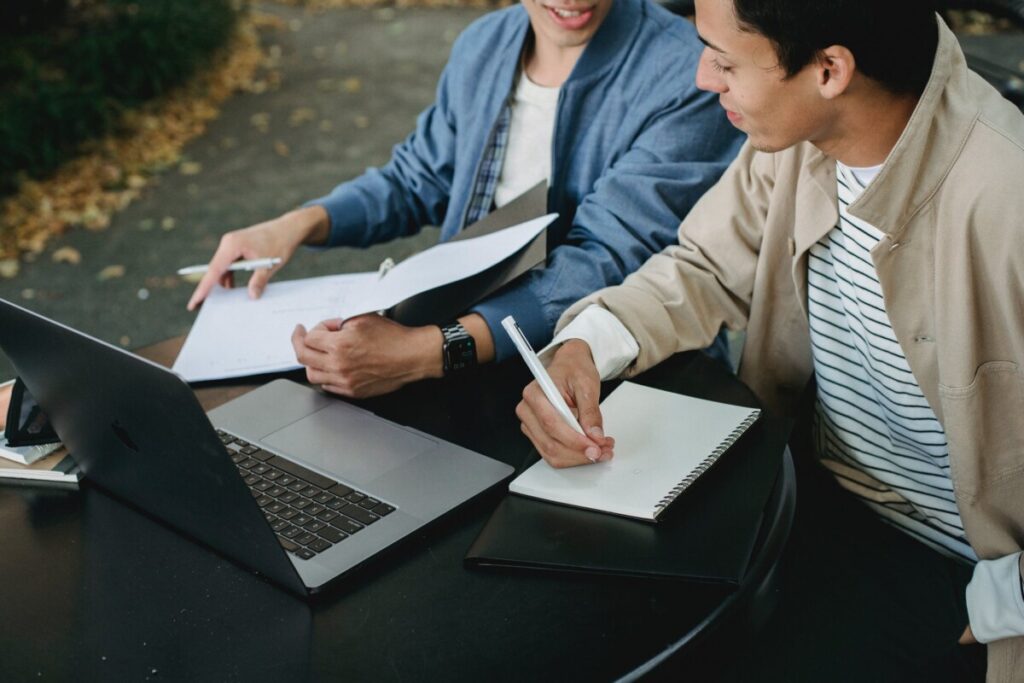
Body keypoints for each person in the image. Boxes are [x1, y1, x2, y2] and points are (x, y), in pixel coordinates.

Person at [516, 0, 1024, 680]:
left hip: (955, 568)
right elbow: (702, 266)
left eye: (726, 61)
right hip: (805, 499)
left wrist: (1001, 603)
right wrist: (584, 345)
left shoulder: (1005, 194)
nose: (702, 78)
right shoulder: (800, 139)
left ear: (830, 70)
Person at [185, 0, 743, 398]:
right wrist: (299, 224)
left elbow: (606, 258)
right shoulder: (484, 45)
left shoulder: (686, 74)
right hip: (456, 348)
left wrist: (428, 350)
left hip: (611, 376)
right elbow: (417, 178)